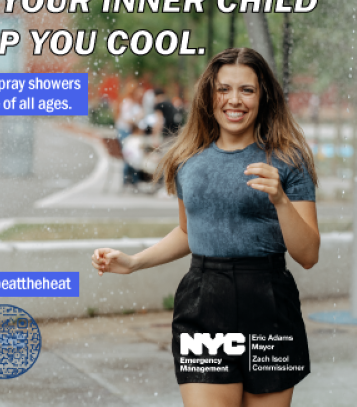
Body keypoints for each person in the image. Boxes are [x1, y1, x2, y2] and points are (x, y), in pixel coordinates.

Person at [91, 47, 320, 407]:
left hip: (270, 305)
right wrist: (134, 262)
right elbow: (188, 231)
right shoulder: (187, 160)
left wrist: (280, 200)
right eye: (223, 89)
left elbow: (307, 255)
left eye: (247, 90)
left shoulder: (289, 160)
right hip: (204, 304)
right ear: (209, 95)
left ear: (264, 96)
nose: (235, 100)